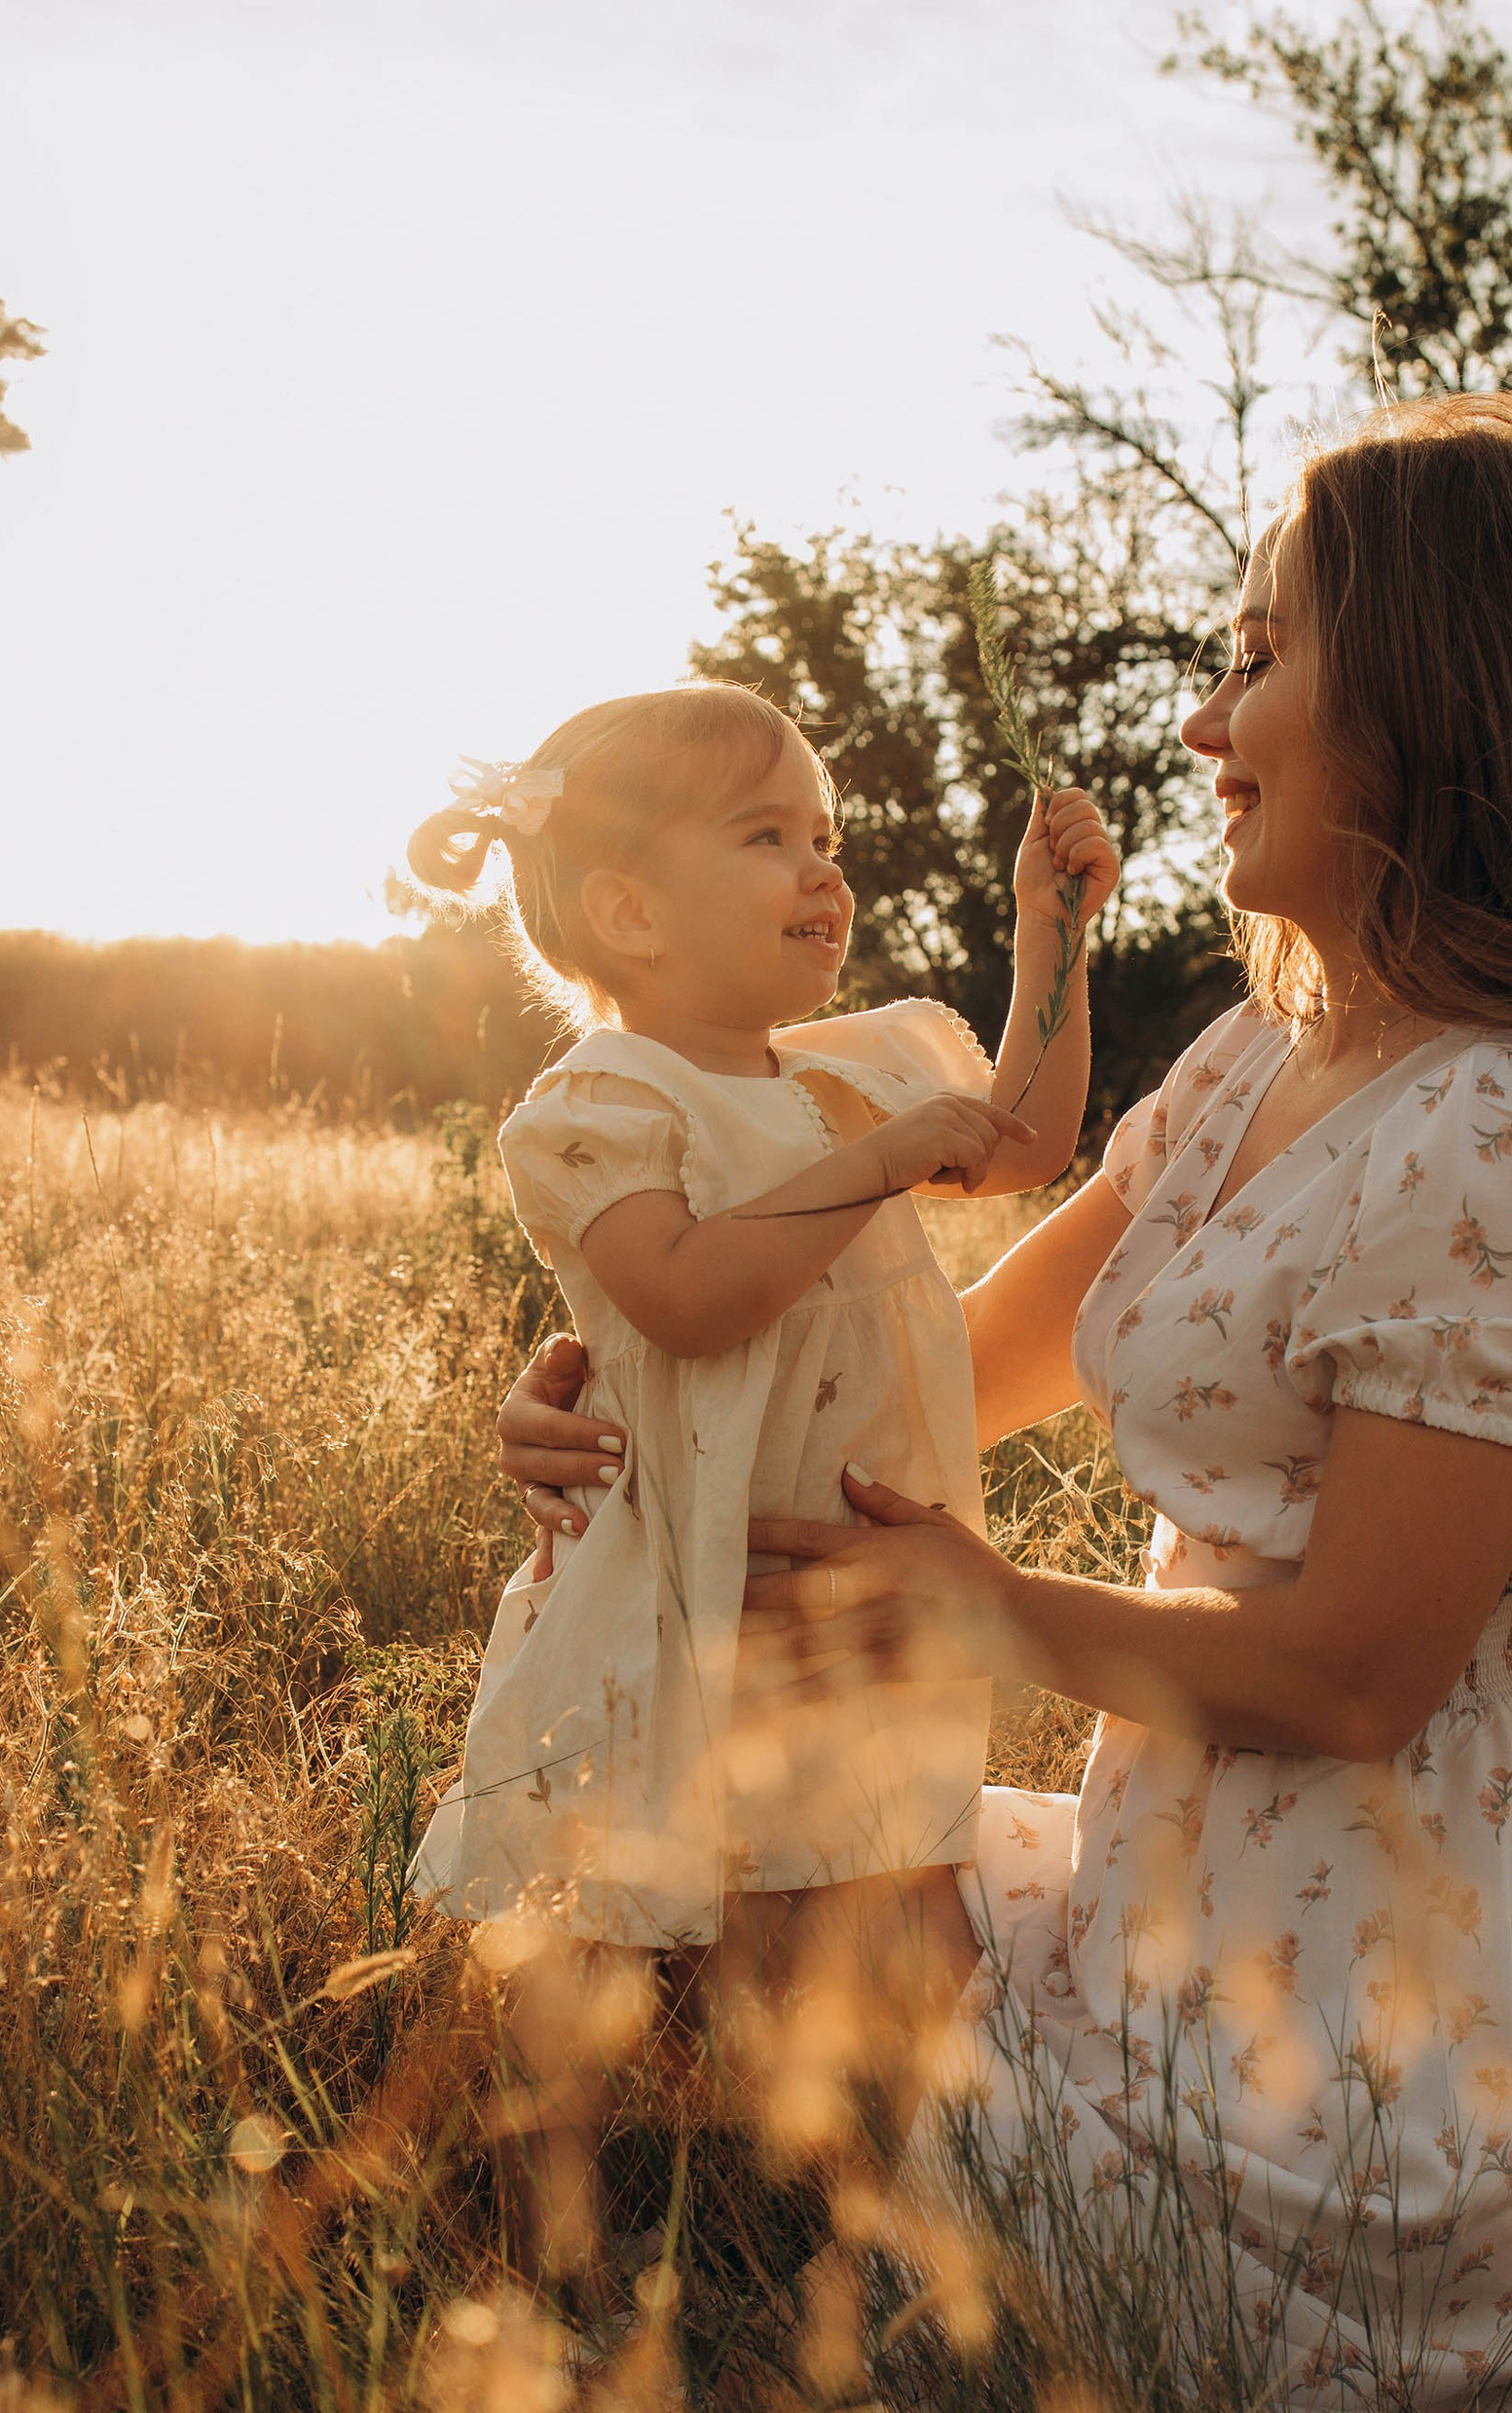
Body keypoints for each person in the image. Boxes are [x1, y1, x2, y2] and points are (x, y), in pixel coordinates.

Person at [498, 404, 1512, 2413]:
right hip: (1171, 1870)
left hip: (1381, 2022)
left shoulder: (1501, 1130)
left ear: (1422, 703)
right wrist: (620, 1421)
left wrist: (976, 1611)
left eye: (1259, 658)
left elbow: (1359, 1670)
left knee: (877, 2173)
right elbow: (943, 1364)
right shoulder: (1262, 1054)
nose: (1203, 718)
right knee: (728, 1866)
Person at [410, 682, 1118, 2132]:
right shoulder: (599, 1103)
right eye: (767, 836)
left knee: (888, 1897)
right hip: (688, 1593)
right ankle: (605, 2209)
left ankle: (903, 2167)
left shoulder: (848, 1073)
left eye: (825, 832)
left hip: (849, 1570)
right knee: (646, 1923)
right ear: (631, 913)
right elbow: (682, 1291)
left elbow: (1031, 1135)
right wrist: (874, 1166)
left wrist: (1051, 933)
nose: (823, 867)